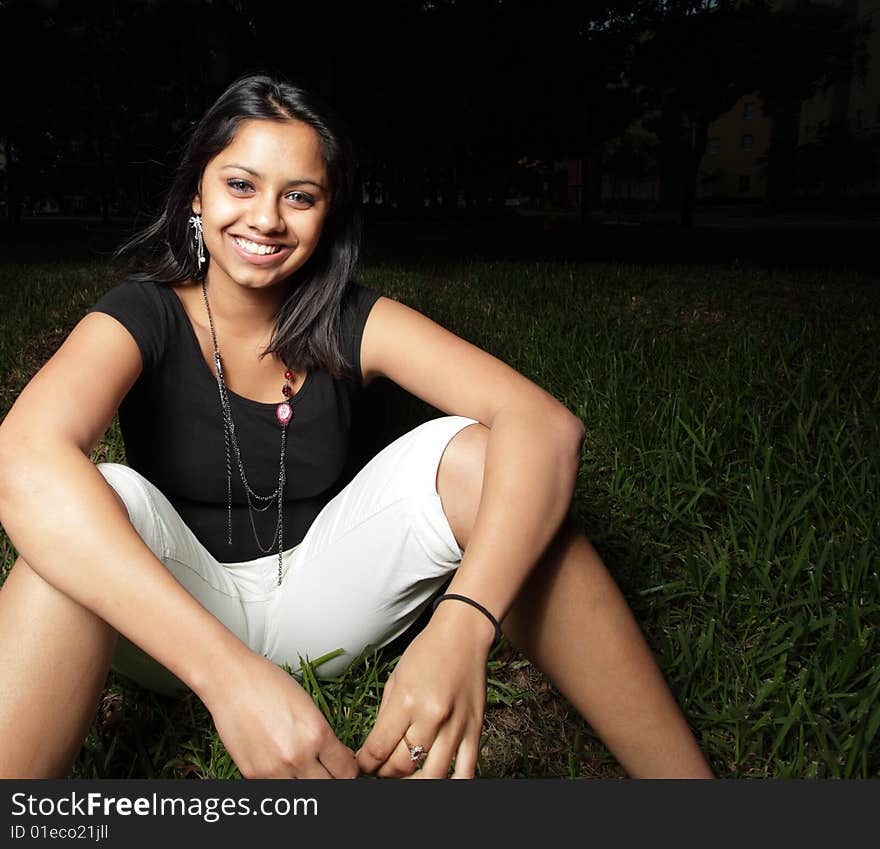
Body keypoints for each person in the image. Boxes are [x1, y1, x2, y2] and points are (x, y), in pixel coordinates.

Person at [0, 73, 714, 780]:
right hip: (174, 617)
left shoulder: (352, 318)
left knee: (483, 457)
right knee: (85, 506)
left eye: (299, 196)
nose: (267, 219)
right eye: (241, 185)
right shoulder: (143, 311)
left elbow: (546, 425)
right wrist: (229, 677)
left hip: (325, 597)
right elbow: (22, 459)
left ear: (329, 211)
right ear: (197, 192)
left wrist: (463, 622)